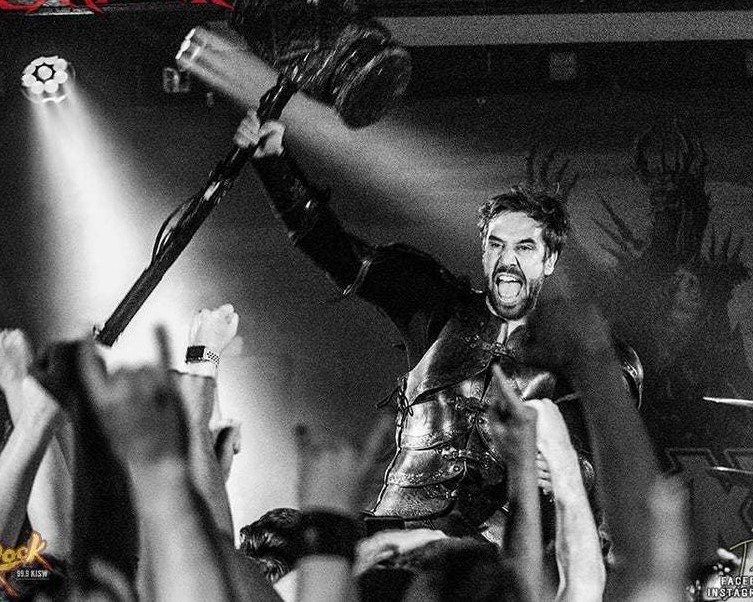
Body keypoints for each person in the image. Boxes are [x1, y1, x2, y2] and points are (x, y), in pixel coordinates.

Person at [234, 110, 592, 536]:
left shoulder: (570, 354)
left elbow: (595, 459)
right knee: (283, 538)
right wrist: (274, 164)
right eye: (496, 245)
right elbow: (338, 253)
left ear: (549, 260)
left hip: (490, 552)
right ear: (483, 252)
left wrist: (568, 472)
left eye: (524, 248)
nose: (507, 260)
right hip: (395, 531)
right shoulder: (436, 305)